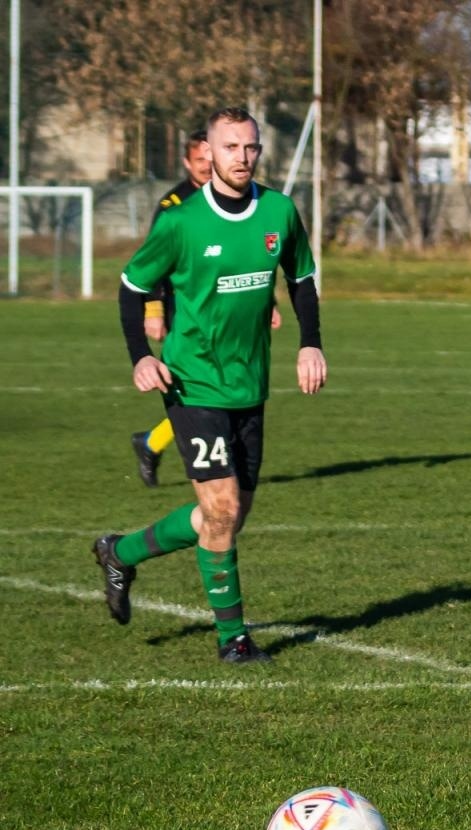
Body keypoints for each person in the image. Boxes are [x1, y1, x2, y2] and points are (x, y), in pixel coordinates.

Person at [93, 106, 326, 663]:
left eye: (250, 148)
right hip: (192, 381)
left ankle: (120, 551)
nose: (241, 158)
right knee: (220, 510)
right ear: (210, 154)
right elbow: (131, 288)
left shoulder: (279, 211)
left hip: (250, 383)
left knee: (225, 515)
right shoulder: (181, 222)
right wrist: (140, 357)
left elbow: (301, 278)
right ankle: (233, 640)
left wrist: (310, 341)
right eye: (230, 148)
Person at [128, 128, 281, 487]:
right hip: (183, 308)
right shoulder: (175, 207)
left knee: (214, 385)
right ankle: (153, 443)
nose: (203, 167)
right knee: (195, 384)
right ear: (189, 162)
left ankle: (151, 442)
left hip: (224, 311)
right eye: (197, 161)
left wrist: (267, 301)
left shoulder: (246, 203)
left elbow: (246, 259)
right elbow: (153, 267)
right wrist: (154, 310)